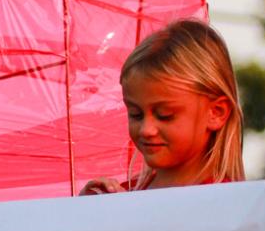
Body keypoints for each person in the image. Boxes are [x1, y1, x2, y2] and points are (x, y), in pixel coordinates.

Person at [81, 19, 244, 195]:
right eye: (136, 114)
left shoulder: (230, 205)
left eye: (164, 115)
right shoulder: (122, 195)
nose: (146, 130)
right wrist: (88, 212)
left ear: (216, 112)